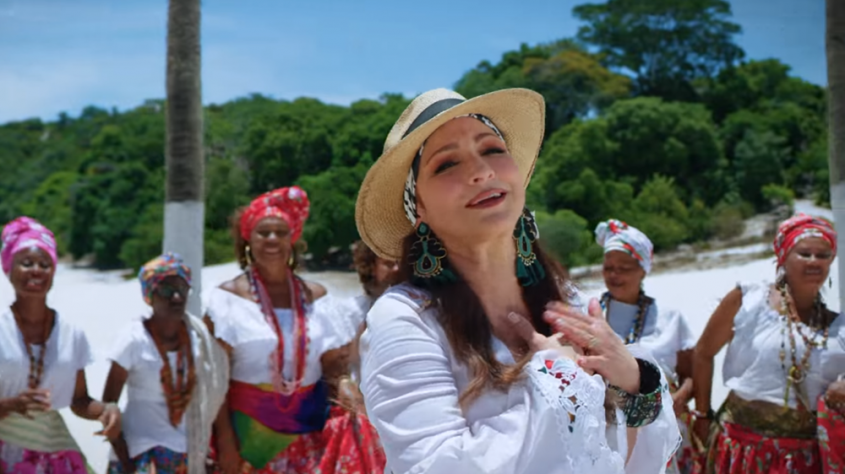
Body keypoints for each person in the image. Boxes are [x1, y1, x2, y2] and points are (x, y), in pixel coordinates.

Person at [354, 87, 680, 474]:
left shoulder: (566, 299)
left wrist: (634, 381)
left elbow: (616, 457)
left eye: (492, 149)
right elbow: (431, 465)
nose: (482, 171)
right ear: (418, 205)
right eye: (446, 164)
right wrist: (560, 380)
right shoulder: (405, 320)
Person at [204, 186, 368, 474]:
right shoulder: (226, 300)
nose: (272, 239)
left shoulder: (317, 297)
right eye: (263, 232)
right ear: (247, 239)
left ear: (292, 239)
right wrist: (226, 443)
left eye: (281, 232)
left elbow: (332, 366)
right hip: (247, 442)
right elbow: (215, 382)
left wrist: (345, 386)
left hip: (311, 437)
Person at [693, 214, 845, 473]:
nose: (814, 261)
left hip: (804, 459)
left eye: (823, 255)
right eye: (804, 253)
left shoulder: (838, 328)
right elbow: (703, 353)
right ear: (783, 257)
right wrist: (703, 414)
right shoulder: (749, 300)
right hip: (739, 449)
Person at [0, 216, 121, 473]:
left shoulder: (70, 335)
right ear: (8, 268)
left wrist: (106, 410)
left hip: (52, 453)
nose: (36, 270)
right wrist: (11, 405)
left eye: (45, 264)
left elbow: (79, 400)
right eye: (26, 263)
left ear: (53, 272)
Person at [103, 252, 229, 474]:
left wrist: (208, 452)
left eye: (182, 289)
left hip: (188, 454)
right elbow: (108, 406)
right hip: (141, 454)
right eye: (167, 290)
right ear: (150, 295)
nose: (177, 297)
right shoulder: (134, 339)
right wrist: (127, 462)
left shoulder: (198, 339)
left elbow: (213, 395)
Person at [595, 219, 698, 474]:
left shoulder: (669, 318)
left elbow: (690, 376)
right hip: (604, 433)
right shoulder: (591, 315)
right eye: (608, 268)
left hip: (662, 430)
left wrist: (677, 398)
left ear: (643, 270)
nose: (614, 275)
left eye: (624, 268)